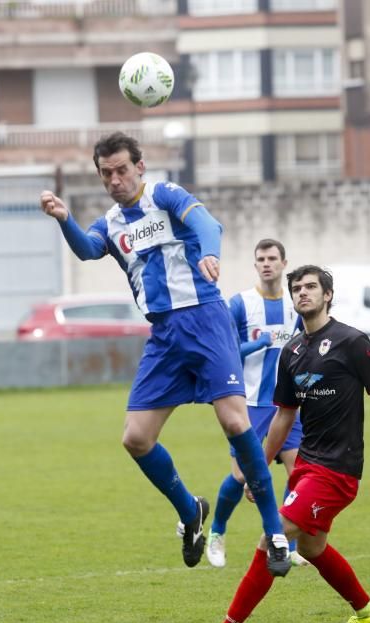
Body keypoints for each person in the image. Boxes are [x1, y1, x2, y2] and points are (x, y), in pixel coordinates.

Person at [40, 131, 290, 577]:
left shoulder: (166, 195)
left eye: (121, 169)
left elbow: (207, 224)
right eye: (106, 173)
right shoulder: (111, 223)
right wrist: (64, 219)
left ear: (140, 166)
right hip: (164, 335)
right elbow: (87, 250)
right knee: (135, 438)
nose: (115, 179)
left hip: (205, 319)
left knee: (235, 422)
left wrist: (210, 254)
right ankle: (190, 510)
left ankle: (274, 531)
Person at [193, 264, 370, 623]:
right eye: (297, 288)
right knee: (312, 548)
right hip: (309, 463)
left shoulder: (352, 341)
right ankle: (366, 611)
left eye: (311, 287)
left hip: (339, 469)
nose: (303, 293)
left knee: (272, 536)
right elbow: (283, 416)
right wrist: (254, 468)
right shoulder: (292, 352)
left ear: (328, 295)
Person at [202, 239, 308, 568]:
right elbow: (226, 352)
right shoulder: (240, 305)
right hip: (247, 402)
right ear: (255, 265)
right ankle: (216, 533)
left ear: (284, 262)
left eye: (272, 258)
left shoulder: (297, 307)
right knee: (239, 476)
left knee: (299, 473)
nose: (266, 263)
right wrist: (258, 344)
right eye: (261, 258)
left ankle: (288, 543)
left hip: (287, 404)